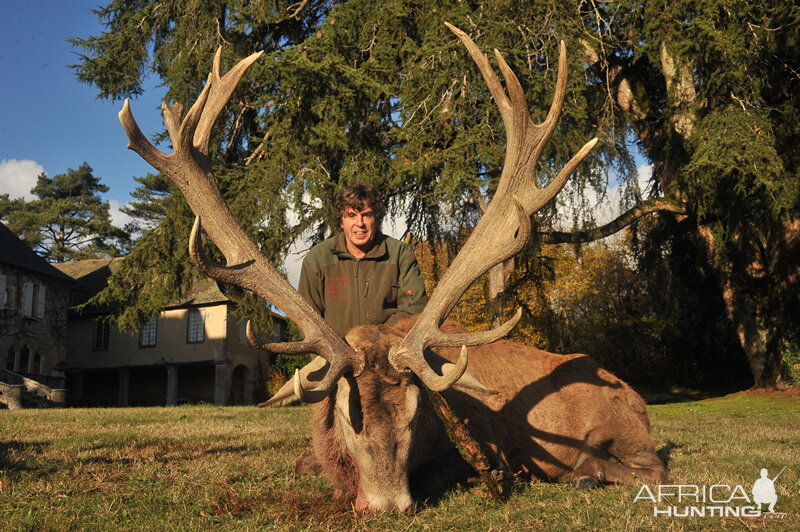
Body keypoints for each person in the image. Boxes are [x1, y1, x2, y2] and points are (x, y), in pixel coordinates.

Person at [298, 183, 428, 338]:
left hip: (389, 355)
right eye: (351, 216)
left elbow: (415, 309)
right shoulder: (317, 259)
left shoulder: (399, 254)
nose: (359, 223)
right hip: (337, 359)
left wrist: (374, 339)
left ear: (376, 219)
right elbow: (307, 321)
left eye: (366, 215)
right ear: (341, 222)